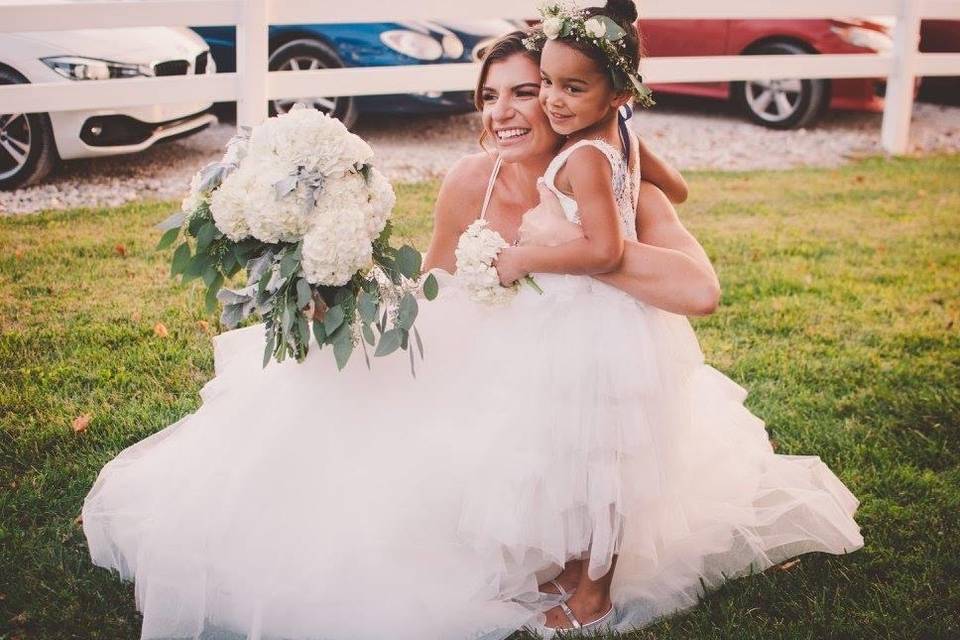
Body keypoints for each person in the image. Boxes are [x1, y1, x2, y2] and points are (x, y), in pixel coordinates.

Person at [81, 5, 862, 640]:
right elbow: (434, 283)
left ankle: (580, 578)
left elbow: (696, 288)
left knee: (574, 465)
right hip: (483, 349)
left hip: (578, 363)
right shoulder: (469, 178)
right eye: (493, 96)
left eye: (529, 92)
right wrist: (348, 293)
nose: (509, 111)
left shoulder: (614, 178)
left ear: (580, 97)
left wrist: (560, 246)